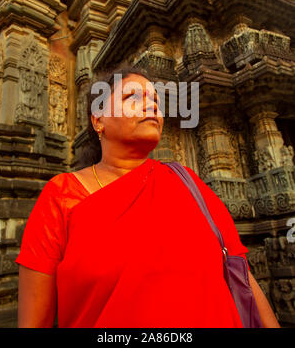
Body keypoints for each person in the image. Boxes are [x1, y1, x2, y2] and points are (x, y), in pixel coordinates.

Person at [15, 64, 280, 328]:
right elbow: (34, 322)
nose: (152, 106)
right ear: (98, 120)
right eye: (132, 97)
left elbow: (241, 275)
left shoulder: (187, 183)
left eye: (155, 100)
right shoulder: (61, 196)